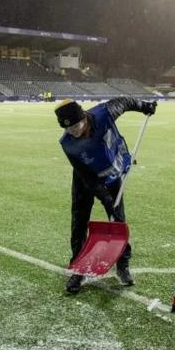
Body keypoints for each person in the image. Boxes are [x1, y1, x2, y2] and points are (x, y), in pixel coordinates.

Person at [55, 98, 157, 294]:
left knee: (118, 221)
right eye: (68, 129)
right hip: (85, 180)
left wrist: (145, 106)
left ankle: (123, 265)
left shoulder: (104, 113)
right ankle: (79, 269)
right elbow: (86, 176)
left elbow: (125, 103)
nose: (72, 131)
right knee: (78, 223)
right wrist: (104, 196)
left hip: (112, 174)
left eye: (75, 126)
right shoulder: (68, 144)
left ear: (84, 117)